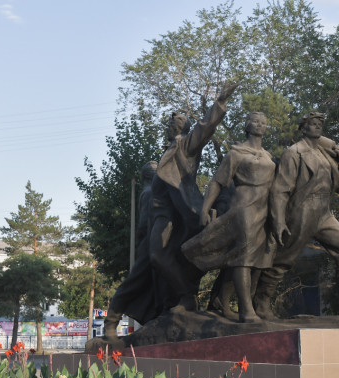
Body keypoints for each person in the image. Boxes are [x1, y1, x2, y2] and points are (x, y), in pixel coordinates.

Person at [254, 112, 339, 318]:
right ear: (303, 128)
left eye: (319, 124)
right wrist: (279, 220)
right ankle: (261, 300)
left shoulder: (325, 154)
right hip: (302, 211)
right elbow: (280, 189)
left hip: (324, 212)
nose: (317, 127)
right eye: (313, 124)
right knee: (284, 258)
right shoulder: (294, 152)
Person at [149, 83, 238, 313]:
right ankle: (180, 299)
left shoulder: (185, 145)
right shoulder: (169, 148)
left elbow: (205, 128)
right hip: (165, 213)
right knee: (164, 258)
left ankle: (188, 297)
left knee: (158, 256)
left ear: (181, 128)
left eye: (173, 124)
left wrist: (220, 102)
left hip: (178, 212)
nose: (169, 127)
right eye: (169, 124)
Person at [182, 112, 277, 322]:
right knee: (243, 258)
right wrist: (205, 209)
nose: (260, 125)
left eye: (263, 122)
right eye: (255, 121)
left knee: (260, 261)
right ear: (247, 125)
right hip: (244, 207)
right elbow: (217, 182)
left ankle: (223, 302)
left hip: (265, 208)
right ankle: (246, 310)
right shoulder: (236, 153)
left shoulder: (268, 156)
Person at [85, 161, 159, 350]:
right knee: (133, 283)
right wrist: (147, 245)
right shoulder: (149, 193)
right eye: (156, 172)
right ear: (149, 176)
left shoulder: (154, 193)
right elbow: (143, 225)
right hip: (148, 245)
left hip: (155, 244)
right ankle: (110, 323)